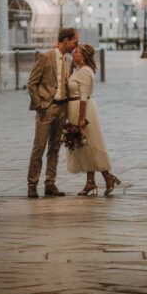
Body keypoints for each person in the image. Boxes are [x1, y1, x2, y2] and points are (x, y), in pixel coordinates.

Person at [26, 27, 79, 198]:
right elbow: (31, 83)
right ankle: (32, 184)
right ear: (66, 40)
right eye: (74, 42)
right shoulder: (46, 57)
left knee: (55, 148)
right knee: (39, 147)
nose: (75, 46)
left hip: (62, 108)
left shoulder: (69, 61)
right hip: (47, 108)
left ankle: (50, 184)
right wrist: (39, 104)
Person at [66, 43, 121, 196]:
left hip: (83, 111)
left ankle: (107, 177)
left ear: (83, 56)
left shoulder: (85, 72)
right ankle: (91, 182)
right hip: (76, 108)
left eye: (76, 52)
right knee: (85, 147)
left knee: (91, 145)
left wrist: (81, 119)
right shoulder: (79, 70)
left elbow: (83, 97)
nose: (74, 54)